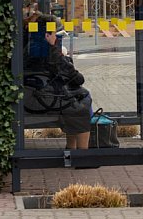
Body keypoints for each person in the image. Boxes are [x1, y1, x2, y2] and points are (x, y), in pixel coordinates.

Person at [24, 14, 92, 150]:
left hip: (26, 101)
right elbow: (78, 79)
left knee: (76, 99)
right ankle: (82, 154)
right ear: (48, 36)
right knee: (82, 105)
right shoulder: (53, 55)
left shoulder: (24, 51)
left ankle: (71, 147)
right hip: (46, 102)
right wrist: (56, 49)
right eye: (56, 33)